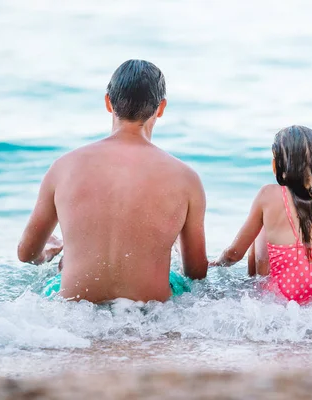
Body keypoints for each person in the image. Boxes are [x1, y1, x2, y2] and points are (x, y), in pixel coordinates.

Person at [18, 59, 208, 302]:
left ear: (108, 102)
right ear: (160, 108)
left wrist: (45, 253)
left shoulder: (63, 167)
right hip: (150, 311)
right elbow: (197, 272)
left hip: (74, 306)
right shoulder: (186, 178)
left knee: (53, 283)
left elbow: (26, 253)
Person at [210, 126, 312, 304]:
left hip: (283, 301)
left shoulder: (268, 194)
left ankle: (254, 284)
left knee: (262, 228)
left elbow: (235, 254)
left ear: (276, 164)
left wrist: (217, 264)